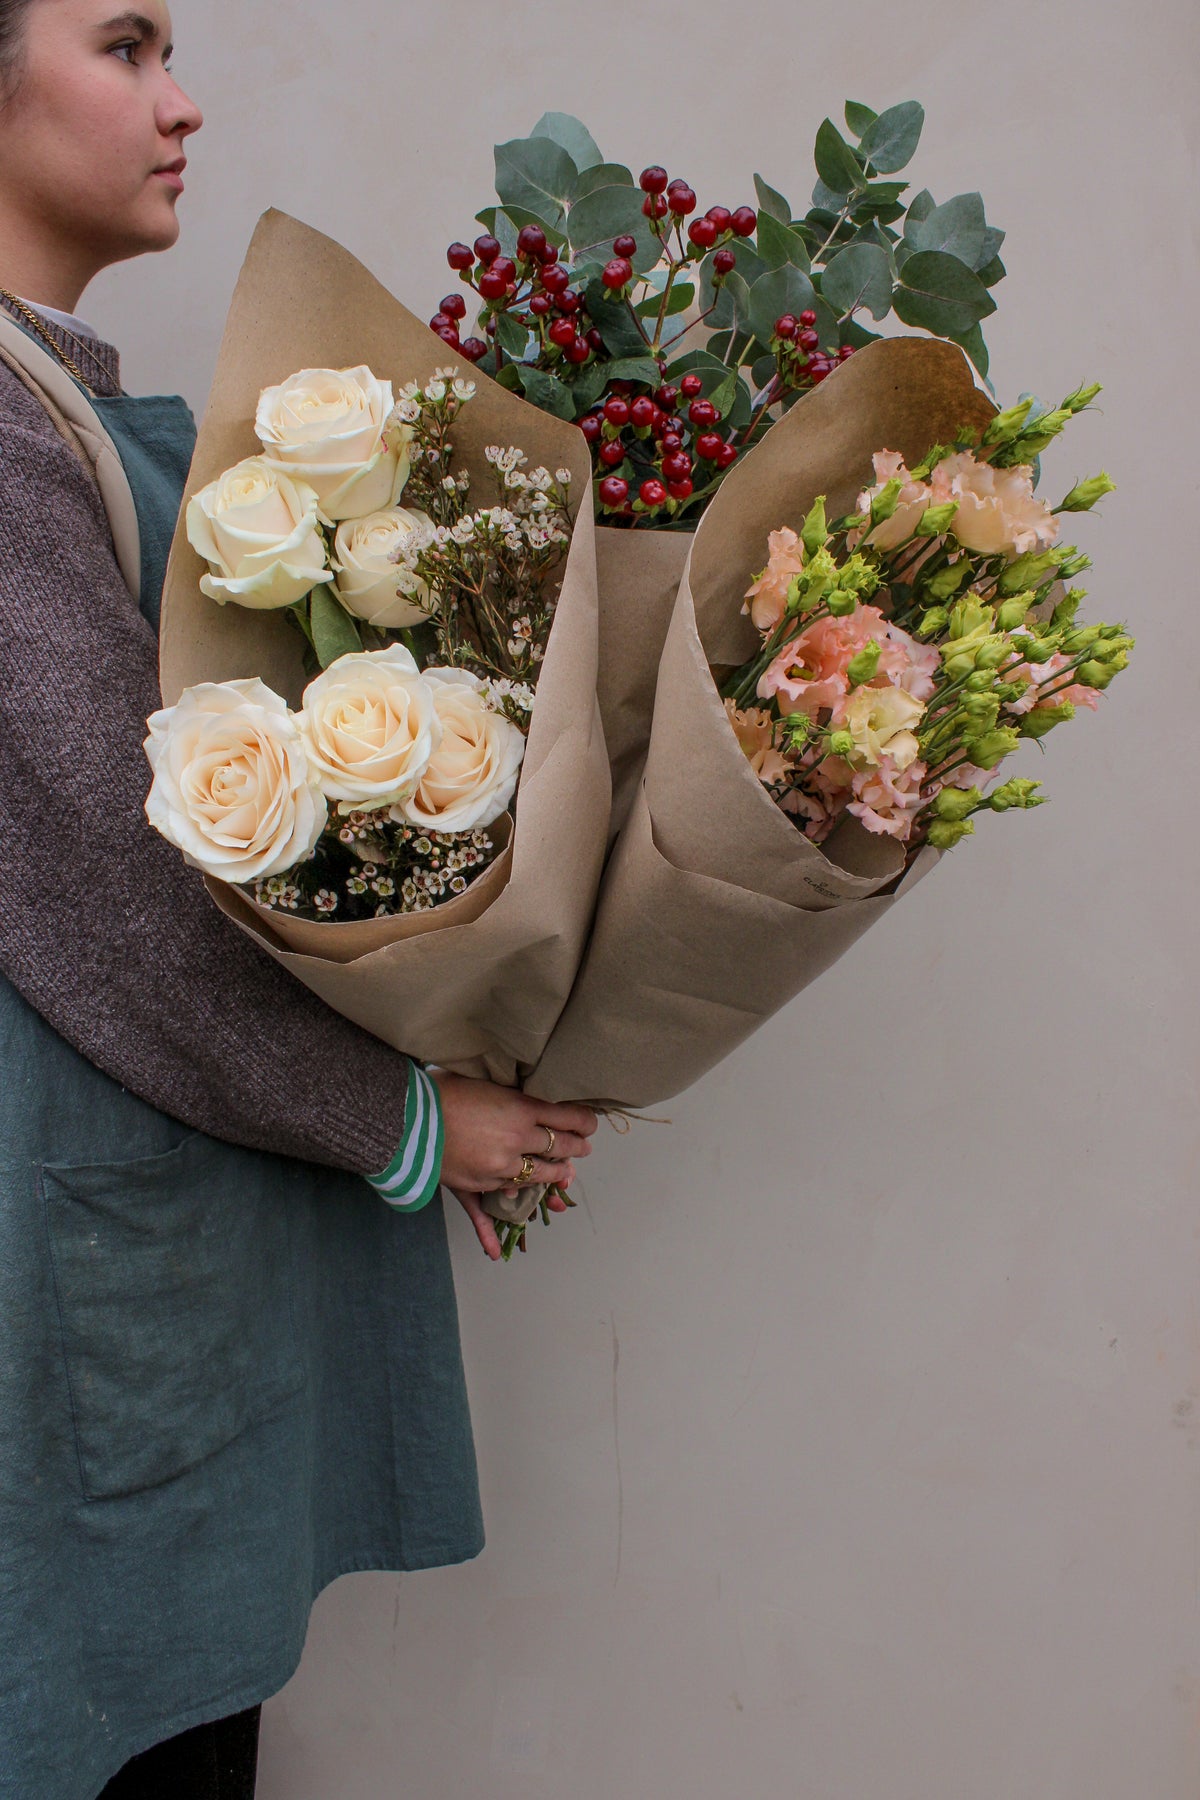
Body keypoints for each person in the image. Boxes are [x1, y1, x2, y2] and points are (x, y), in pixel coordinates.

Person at [0, 4, 599, 1796]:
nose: (181, 100)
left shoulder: (48, 399)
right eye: (121, 45)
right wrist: (411, 1117)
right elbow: (115, 910)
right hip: (94, 1285)